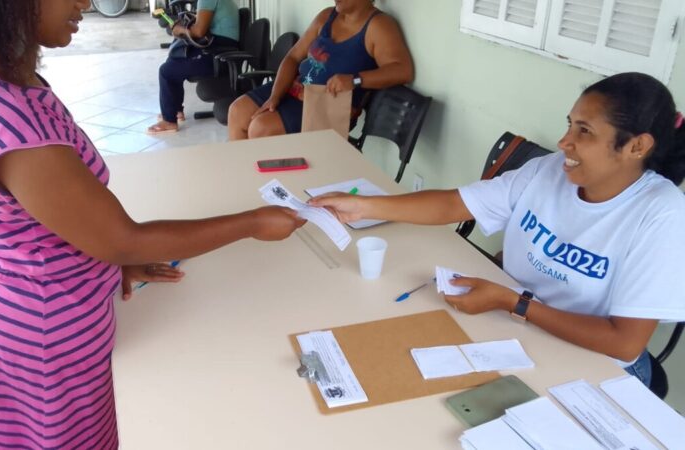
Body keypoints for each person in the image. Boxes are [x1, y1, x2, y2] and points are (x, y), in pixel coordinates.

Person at [0, 0, 303, 448]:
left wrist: (99, 256)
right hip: (42, 328)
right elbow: (124, 239)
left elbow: (31, 218)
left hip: (9, 294)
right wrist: (253, 223)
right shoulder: (11, 120)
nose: (85, 2)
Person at [311, 72, 685, 386]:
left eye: (584, 131)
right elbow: (455, 203)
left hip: (594, 366)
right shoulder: (548, 171)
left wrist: (515, 303)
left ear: (636, 146)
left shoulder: (661, 215)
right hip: (518, 330)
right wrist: (360, 205)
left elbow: (624, 343)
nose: (564, 142)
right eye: (569, 124)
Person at [227, 0, 413, 140]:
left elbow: (403, 70)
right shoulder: (326, 16)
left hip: (329, 105)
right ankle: (244, 181)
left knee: (260, 128)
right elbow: (292, 58)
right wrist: (275, 96)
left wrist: (355, 79)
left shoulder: (378, 25)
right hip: (296, 90)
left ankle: (267, 186)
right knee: (237, 111)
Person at [148, 0, 239, 134]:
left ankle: (169, 121)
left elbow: (199, 31)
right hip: (219, 49)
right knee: (173, 59)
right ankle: (175, 110)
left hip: (219, 55)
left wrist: (179, 29)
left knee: (167, 71)